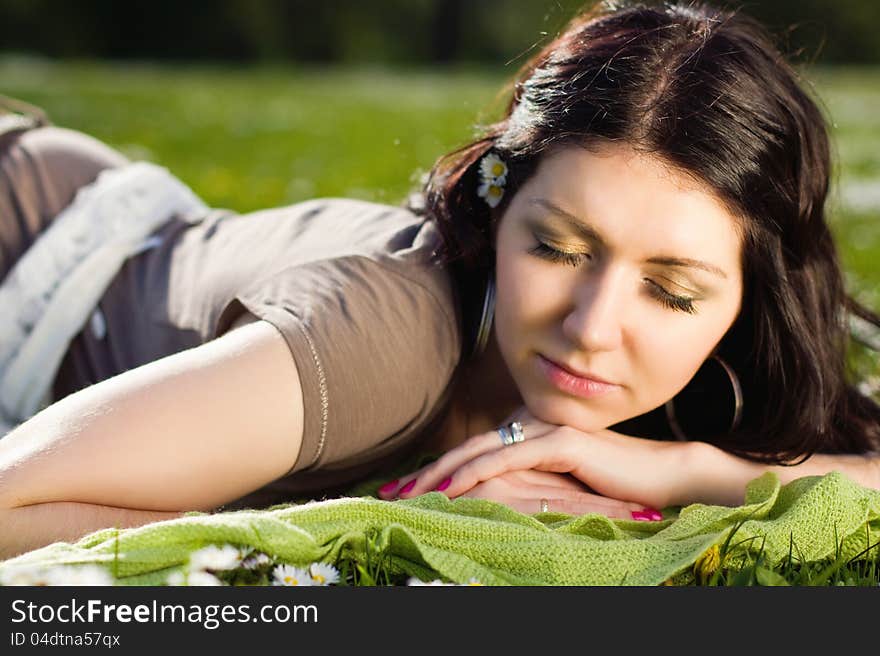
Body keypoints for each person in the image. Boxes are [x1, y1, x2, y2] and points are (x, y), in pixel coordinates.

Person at [1, 0, 879, 561]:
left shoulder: (699, 400)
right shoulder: (381, 345)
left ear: (747, 299)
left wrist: (685, 469)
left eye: (673, 293)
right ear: (497, 209)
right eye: (561, 249)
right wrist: (378, 519)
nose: (593, 327)